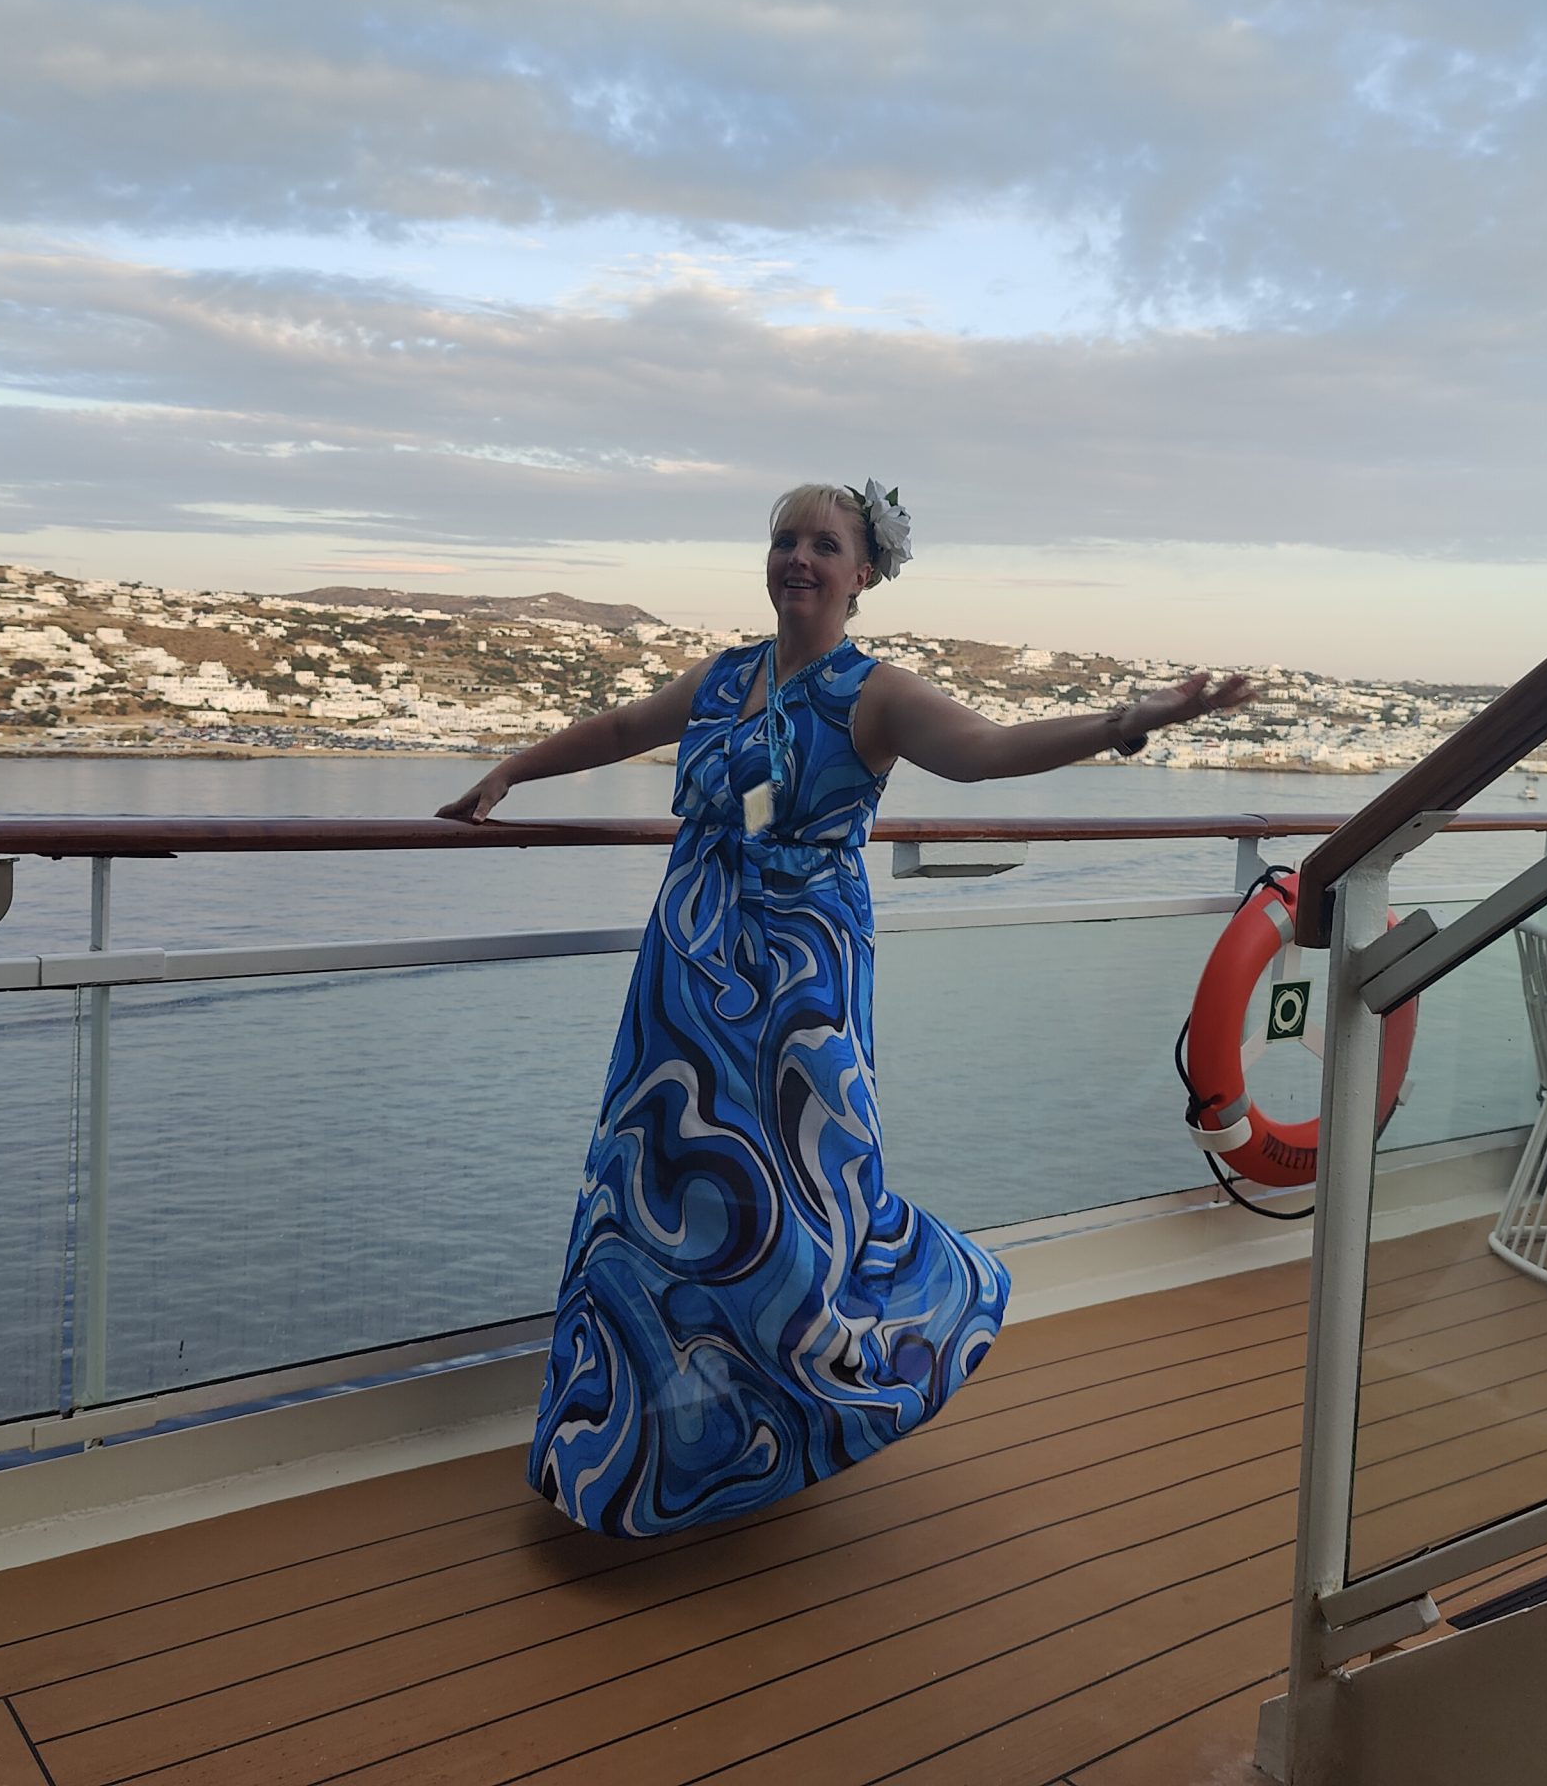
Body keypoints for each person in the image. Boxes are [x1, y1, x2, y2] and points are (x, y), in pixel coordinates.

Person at [437, 481, 1254, 1537]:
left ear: (863, 574)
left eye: (824, 544)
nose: (799, 558)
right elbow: (626, 725)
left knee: (806, 1200)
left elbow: (990, 752)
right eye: (785, 539)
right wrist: (510, 772)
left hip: (802, 986)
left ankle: (805, 1412)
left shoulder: (876, 695)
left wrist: (1134, 720)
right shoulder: (724, 677)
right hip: (685, 976)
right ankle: (639, 1454)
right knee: (654, 1194)